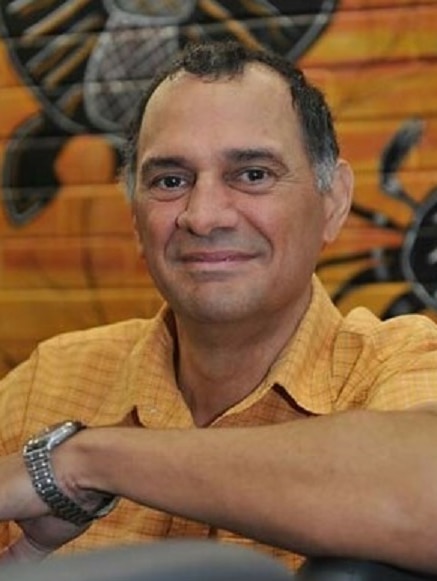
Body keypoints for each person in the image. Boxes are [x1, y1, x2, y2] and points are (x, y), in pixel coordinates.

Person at [1, 39, 437, 575]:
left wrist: (85, 462)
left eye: (252, 174)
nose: (204, 216)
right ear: (136, 219)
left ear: (334, 201)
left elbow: (423, 491)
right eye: (170, 181)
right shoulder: (47, 383)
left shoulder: (401, 360)